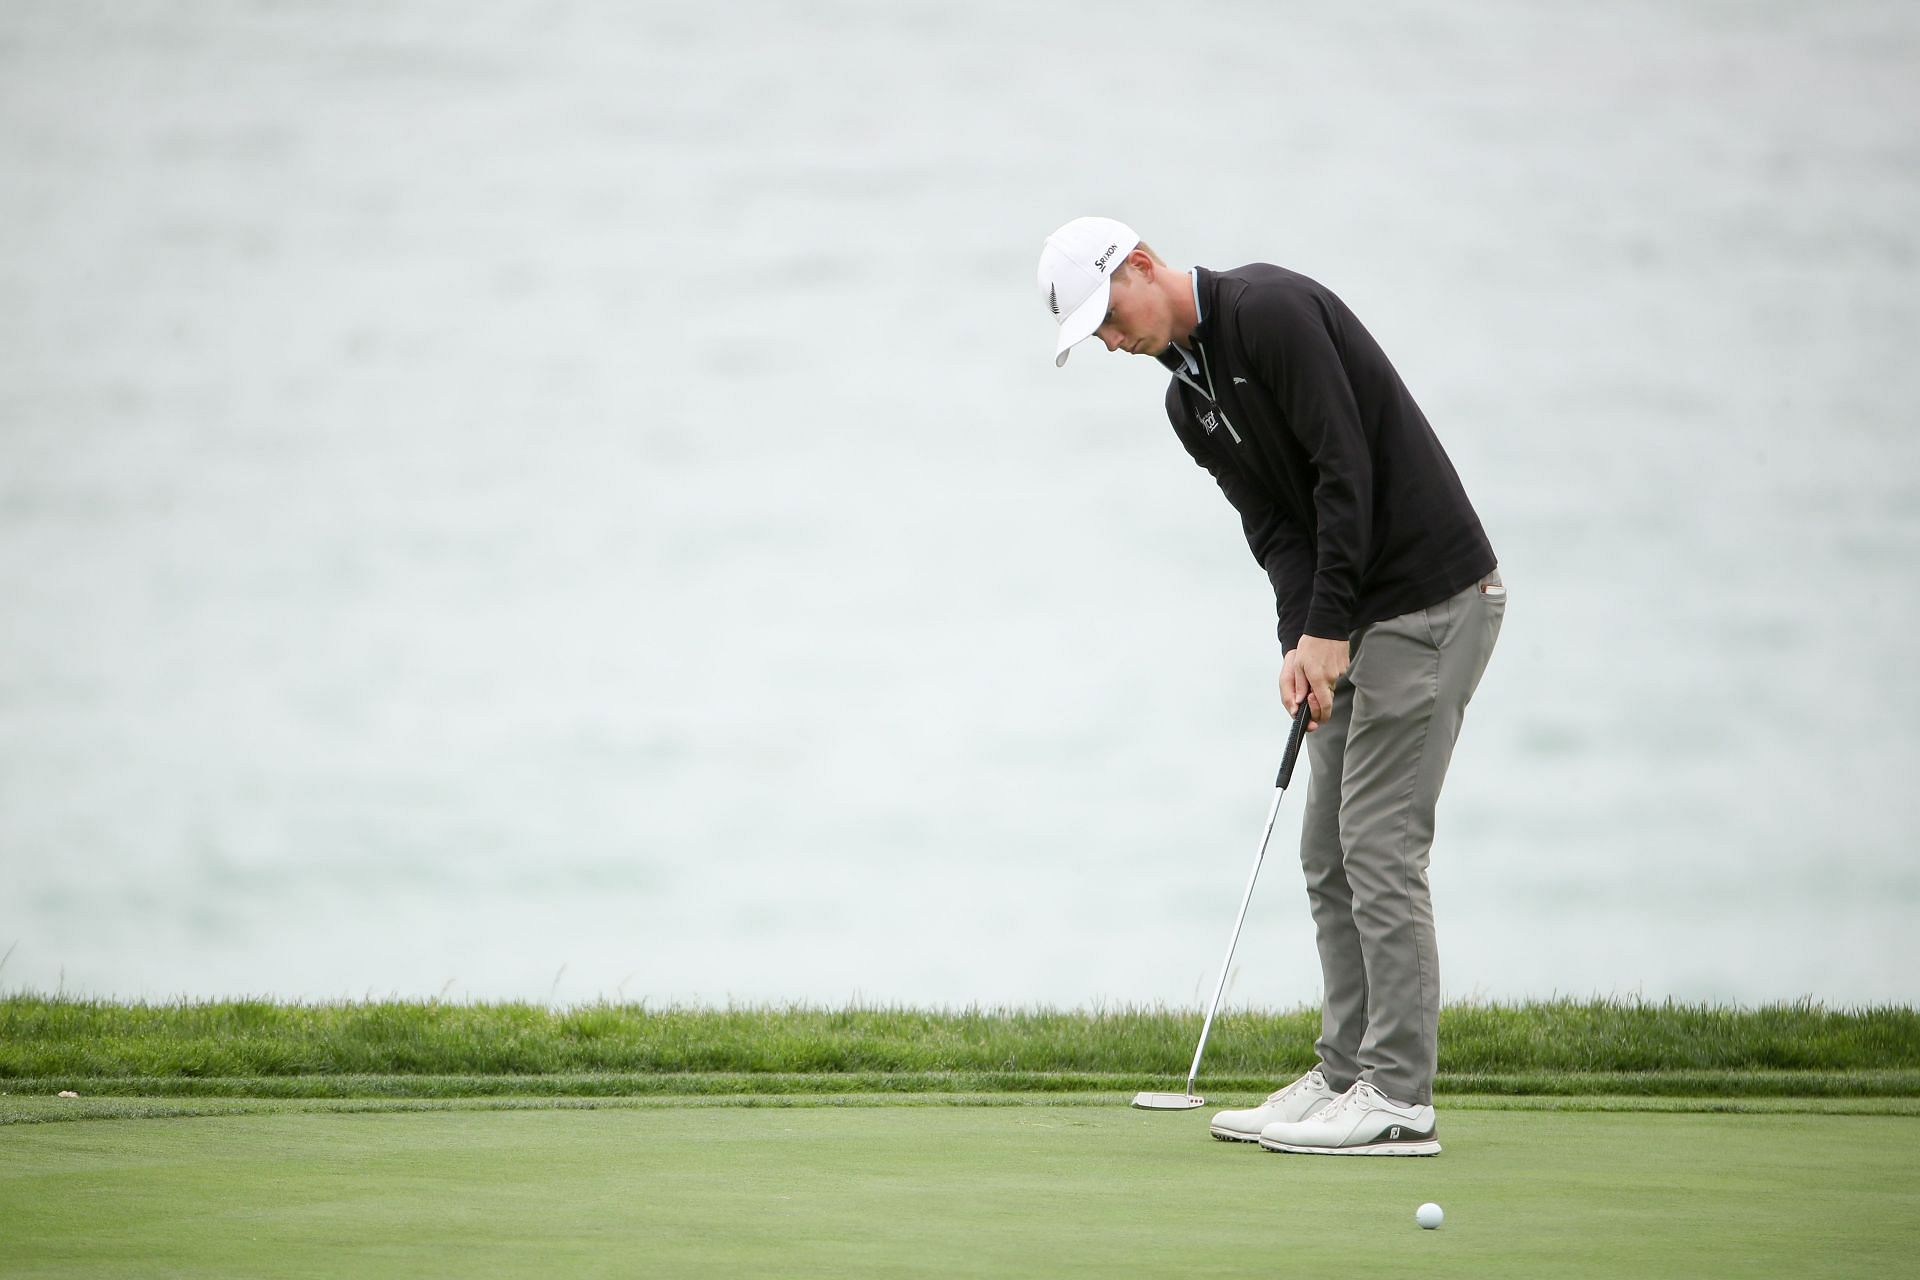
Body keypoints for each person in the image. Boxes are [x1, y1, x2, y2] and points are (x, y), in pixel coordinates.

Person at [1037, 216, 1504, 1156]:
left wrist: (1329, 627)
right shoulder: (1186, 403)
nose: (1108, 339)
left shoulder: (1271, 312)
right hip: (1352, 618)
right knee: (1325, 851)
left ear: (1139, 265)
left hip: (1428, 602)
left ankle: (1399, 1097)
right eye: (1091, 333)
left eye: (1107, 315)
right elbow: (1276, 530)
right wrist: (1302, 642)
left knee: (1378, 849)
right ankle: (1344, 1073)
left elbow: (1347, 474)